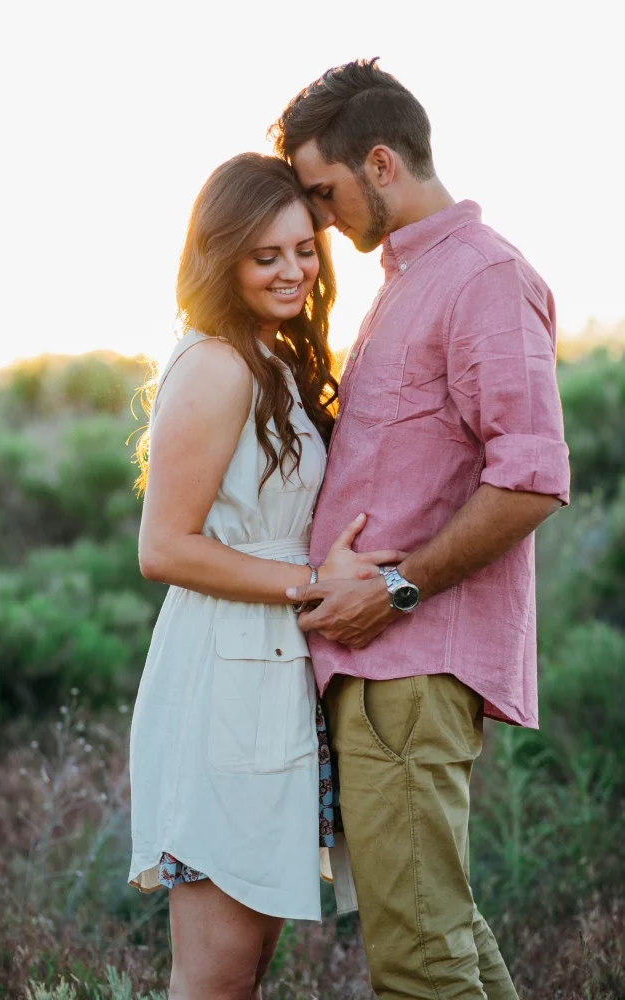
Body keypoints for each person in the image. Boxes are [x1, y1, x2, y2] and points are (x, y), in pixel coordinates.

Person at [273, 59, 571, 1000]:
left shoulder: (483, 279)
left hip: (409, 664)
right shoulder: (407, 281)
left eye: (324, 191)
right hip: (377, 668)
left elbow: (531, 479)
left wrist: (396, 589)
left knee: (417, 960)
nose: (319, 217)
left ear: (381, 162)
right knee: (444, 935)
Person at [127, 152, 404, 1000]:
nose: (293, 270)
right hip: (223, 687)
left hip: (271, 681)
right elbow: (163, 548)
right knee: (213, 982)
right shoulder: (215, 365)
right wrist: (314, 583)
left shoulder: (268, 358)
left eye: (303, 249)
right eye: (265, 255)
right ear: (223, 258)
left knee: (241, 976)